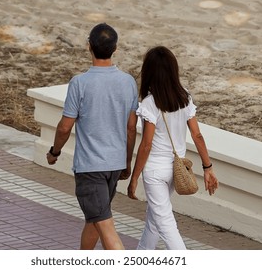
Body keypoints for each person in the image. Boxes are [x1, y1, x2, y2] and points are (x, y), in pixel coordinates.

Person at [46, 23, 139, 250]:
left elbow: (65, 127)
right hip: (114, 165)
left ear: (89, 46)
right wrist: (126, 163)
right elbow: (130, 128)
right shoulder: (128, 82)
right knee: (95, 219)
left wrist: (54, 152)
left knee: (105, 227)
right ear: (115, 48)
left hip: (91, 168)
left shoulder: (80, 83)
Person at [127, 46, 219, 250]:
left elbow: (146, 145)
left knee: (165, 223)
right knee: (154, 220)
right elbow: (197, 135)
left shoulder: (150, 103)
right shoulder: (184, 96)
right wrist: (208, 167)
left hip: (155, 171)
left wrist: (134, 176)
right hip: (175, 169)